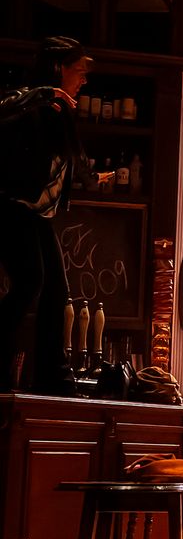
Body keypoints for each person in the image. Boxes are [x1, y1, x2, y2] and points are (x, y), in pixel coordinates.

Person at [0, 36, 111, 394]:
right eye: (78, 72)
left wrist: (93, 179)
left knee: (56, 290)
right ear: (56, 69)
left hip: (37, 214)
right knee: (31, 282)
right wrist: (44, 94)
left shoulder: (61, 110)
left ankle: (55, 378)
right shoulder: (30, 104)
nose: (83, 80)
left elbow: (70, 159)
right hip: (13, 207)